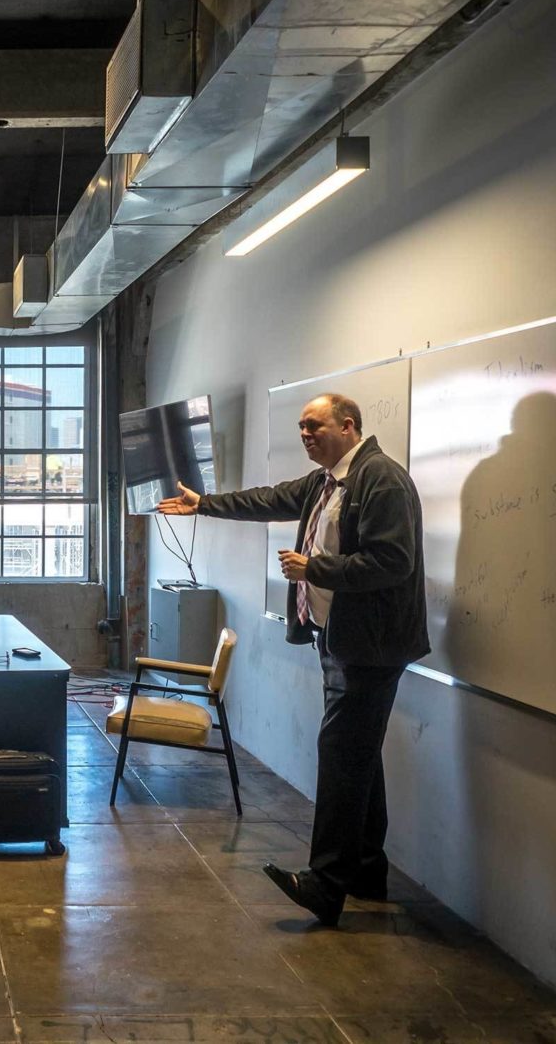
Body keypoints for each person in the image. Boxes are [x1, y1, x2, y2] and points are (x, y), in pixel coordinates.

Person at [157, 393, 428, 926]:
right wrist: (204, 503)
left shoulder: (381, 479)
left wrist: (316, 569)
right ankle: (369, 873)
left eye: (315, 426)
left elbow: (393, 562)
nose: (305, 435)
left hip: (371, 648)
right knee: (359, 755)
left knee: (343, 753)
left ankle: (326, 886)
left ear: (348, 426)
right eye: (301, 427)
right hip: (340, 638)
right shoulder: (327, 481)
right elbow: (271, 499)